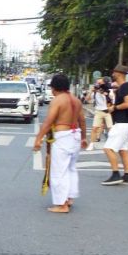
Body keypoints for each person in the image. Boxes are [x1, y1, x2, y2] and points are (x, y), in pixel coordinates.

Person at [33, 74, 87, 213]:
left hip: (63, 137)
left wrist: (38, 138)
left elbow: (49, 121)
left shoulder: (57, 101)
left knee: (59, 172)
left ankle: (61, 204)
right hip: (75, 136)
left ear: (55, 88)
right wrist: (83, 138)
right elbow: (82, 121)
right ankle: (69, 198)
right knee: (71, 169)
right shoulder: (76, 100)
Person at [101, 64, 128, 186]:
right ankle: (127, 176)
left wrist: (114, 108)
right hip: (125, 124)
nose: (112, 74)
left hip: (122, 124)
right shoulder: (124, 87)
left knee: (108, 148)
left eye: (114, 72)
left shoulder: (125, 87)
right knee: (123, 150)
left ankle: (115, 174)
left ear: (119, 74)